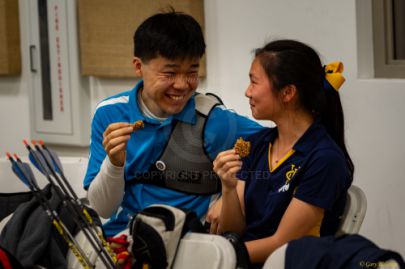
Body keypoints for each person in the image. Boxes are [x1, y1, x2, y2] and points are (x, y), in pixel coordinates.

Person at [83, 9, 263, 238]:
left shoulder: (212, 120)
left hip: (187, 244)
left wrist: (232, 193)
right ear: (139, 67)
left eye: (192, 72)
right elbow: (102, 209)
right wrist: (114, 164)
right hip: (122, 238)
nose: (182, 85)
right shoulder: (110, 114)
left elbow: (274, 144)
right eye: (169, 73)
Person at [213, 39, 354, 267]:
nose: (247, 92)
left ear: (287, 92)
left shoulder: (325, 160)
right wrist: (228, 188)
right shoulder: (253, 144)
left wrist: (217, 256)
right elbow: (233, 231)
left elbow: (283, 243)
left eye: (254, 82)